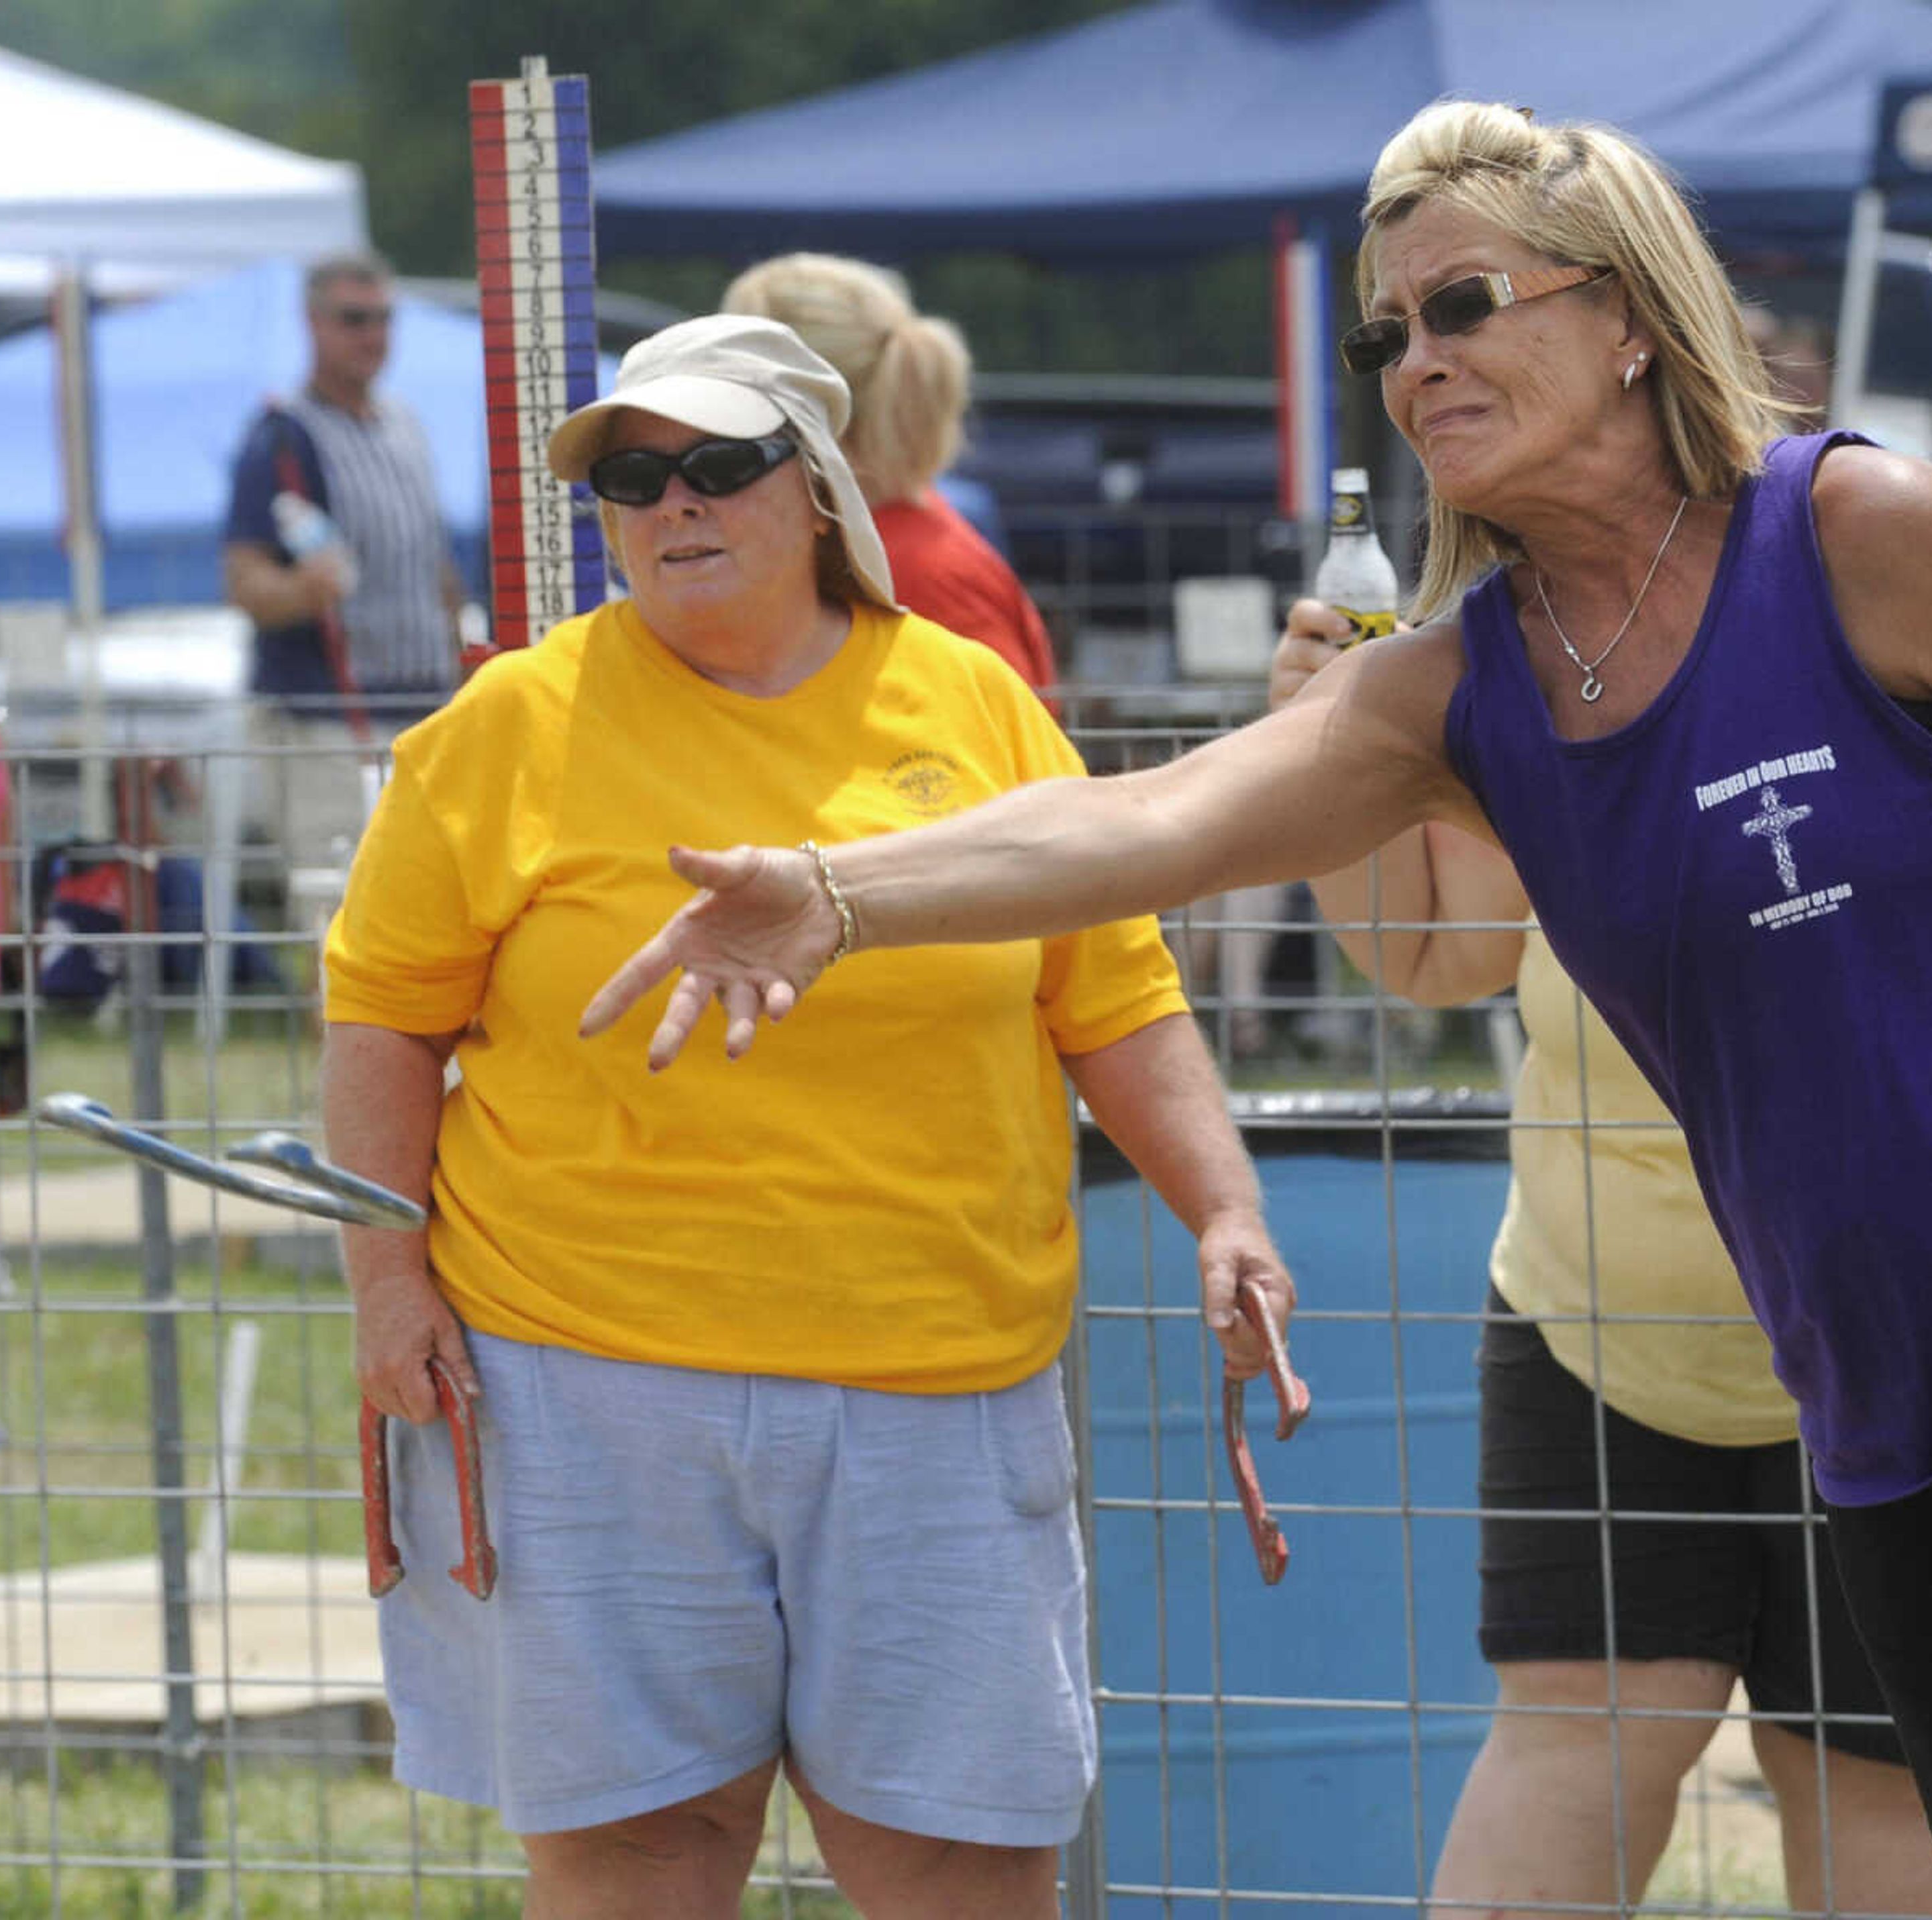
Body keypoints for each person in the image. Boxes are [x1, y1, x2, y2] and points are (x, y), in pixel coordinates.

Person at [582, 104, 1932, 1920]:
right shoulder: (1461, 688)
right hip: (1878, 1367)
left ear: (1629, 317)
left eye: (1466, 304)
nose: (1416, 363)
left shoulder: (1868, 530)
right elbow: (1146, 818)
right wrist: (834, 893)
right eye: (1390, 333)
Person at [323, 313, 1294, 1920]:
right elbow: (380, 1011)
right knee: (636, 1853)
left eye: (718, 463)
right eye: (633, 477)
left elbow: (1112, 995)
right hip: (582, 1369)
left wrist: (1226, 1206)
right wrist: (382, 1277)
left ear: (822, 489)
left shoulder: (973, 705)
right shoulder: (511, 721)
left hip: (936, 1370)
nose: (673, 504)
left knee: (960, 1862)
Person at [1274, 599, 1932, 1915]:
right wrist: (1332, 744)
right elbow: (1428, 947)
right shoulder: (1536, 646)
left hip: (1901, 1344)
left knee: (1876, 1783)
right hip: (1594, 1330)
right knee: (1577, 1735)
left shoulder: (1873, 596)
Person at [223, 252, 466, 876]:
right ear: (314, 323)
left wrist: (465, 668)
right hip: (324, 722)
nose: (373, 336)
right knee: (340, 908)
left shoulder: (407, 425)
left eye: (384, 318)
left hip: (427, 715)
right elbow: (245, 578)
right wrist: (301, 590)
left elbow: (432, 564)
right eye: (354, 319)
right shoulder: (283, 437)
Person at [723, 253, 1055, 687]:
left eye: (736, 391)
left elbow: (1006, 747)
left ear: (800, 409)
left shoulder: (912, 573)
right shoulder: (871, 547)